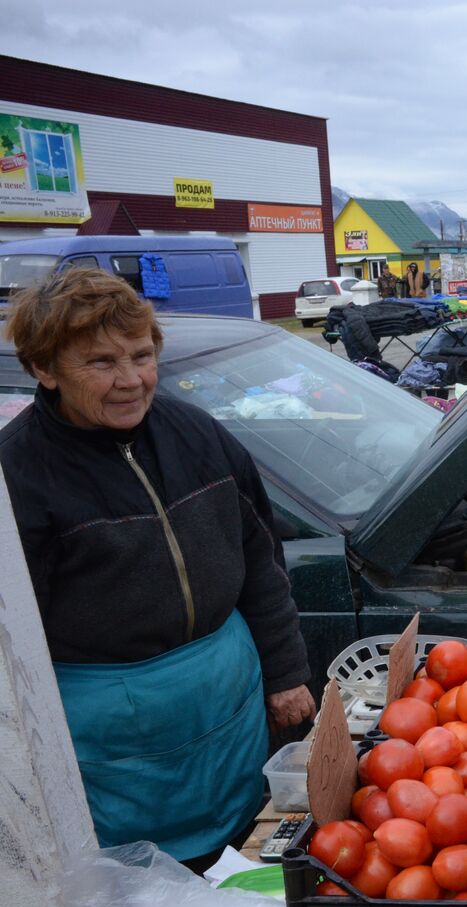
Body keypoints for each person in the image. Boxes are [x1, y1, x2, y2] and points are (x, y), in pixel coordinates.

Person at [0, 268, 316, 868]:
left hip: (229, 707)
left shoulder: (196, 433)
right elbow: (10, 653)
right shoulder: (16, 479)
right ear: (45, 370)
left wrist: (285, 671)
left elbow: (259, 558)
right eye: (100, 363)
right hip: (110, 743)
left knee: (247, 864)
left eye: (141, 356)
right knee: (144, 885)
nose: (130, 381)